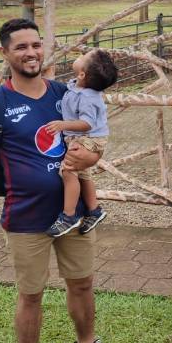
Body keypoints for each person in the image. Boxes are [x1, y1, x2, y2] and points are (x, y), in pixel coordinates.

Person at [0, 18, 121, 343]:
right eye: (21, 47)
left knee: (81, 283)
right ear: (5, 53)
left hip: (74, 214)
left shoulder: (67, 93)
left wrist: (93, 154)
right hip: (26, 218)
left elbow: (96, 136)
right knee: (31, 295)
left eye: (36, 45)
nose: (30, 53)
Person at [45, 48, 118, 238]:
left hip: (89, 138)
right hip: (84, 138)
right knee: (83, 174)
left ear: (82, 73)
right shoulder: (78, 87)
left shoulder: (87, 97)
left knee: (68, 170)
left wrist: (63, 125)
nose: (79, 56)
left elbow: (87, 124)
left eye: (82, 57)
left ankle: (68, 215)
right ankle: (94, 209)